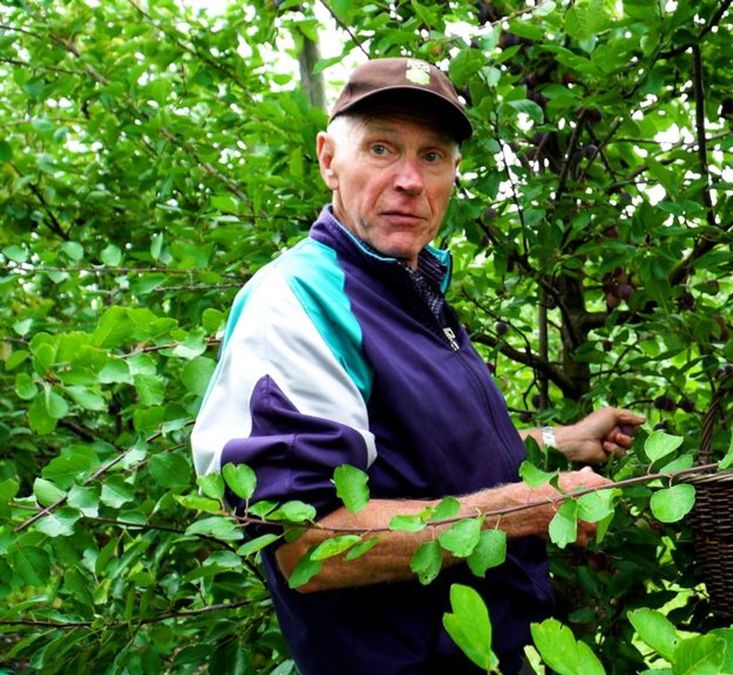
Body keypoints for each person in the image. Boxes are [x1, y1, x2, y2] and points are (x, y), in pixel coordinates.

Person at [190, 57, 644, 674]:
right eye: (382, 148)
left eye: (432, 156)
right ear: (329, 159)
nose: (409, 179)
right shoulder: (297, 302)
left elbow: (423, 458)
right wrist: (531, 507)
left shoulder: (412, 291)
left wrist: (557, 443)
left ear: (453, 175)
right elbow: (309, 542)